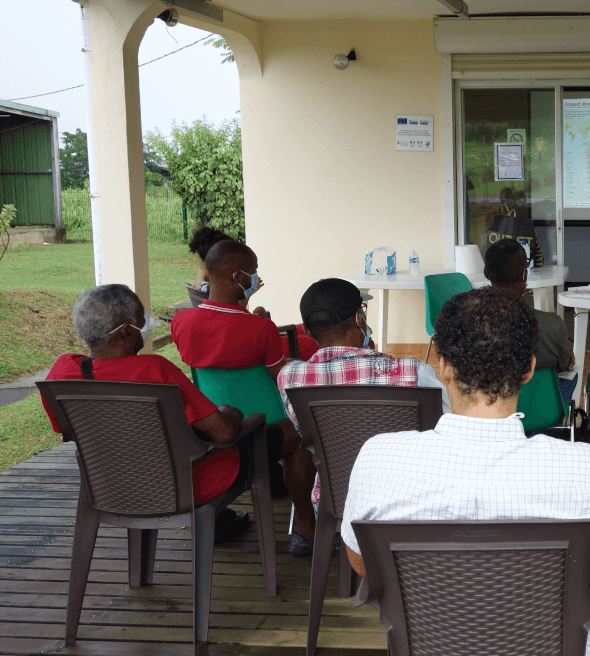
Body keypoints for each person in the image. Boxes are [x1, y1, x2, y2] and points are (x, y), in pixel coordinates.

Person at [339, 287, 590, 656]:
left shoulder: (378, 458)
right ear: (529, 369)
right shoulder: (584, 469)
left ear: (443, 366)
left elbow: (361, 563)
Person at [42, 284, 251, 543]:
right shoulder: (154, 370)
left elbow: (67, 431)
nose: (147, 322)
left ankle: (218, 519)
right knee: (268, 435)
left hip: (109, 487)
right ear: (127, 329)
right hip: (180, 487)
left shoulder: (62, 372)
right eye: (142, 316)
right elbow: (223, 432)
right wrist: (230, 413)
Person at [171, 239, 318, 556]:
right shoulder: (260, 329)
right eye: (252, 273)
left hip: (213, 427)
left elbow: (220, 337)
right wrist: (288, 355)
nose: (255, 279)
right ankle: (306, 530)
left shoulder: (182, 322)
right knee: (303, 435)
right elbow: (281, 376)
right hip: (260, 430)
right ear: (238, 277)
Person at [276, 278, 451, 513]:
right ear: (360, 318)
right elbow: (451, 422)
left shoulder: (290, 378)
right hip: (412, 501)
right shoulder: (413, 371)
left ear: (307, 331)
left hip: (337, 503)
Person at [187, 225, 318, 359]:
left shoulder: (206, 285)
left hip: (253, 337)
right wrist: (251, 301)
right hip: (257, 342)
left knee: (309, 328)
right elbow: (237, 324)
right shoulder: (219, 291)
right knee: (316, 341)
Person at [483, 238, 577, 405]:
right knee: (572, 376)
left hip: (488, 407)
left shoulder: (470, 325)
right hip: (541, 409)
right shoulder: (552, 325)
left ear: (486, 273)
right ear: (525, 275)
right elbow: (565, 365)